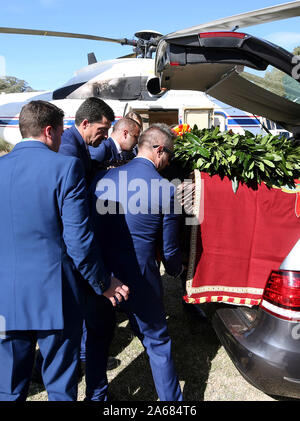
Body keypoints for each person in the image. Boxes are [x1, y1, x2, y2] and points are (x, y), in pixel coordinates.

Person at [0, 100, 129, 401]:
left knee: (7, 387)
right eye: (60, 132)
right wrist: (103, 283)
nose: (61, 139)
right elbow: (79, 240)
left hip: (5, 295)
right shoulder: (65, 166)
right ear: (48, 131)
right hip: (53, 295)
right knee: (60, 386)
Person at [90, 123, 183, 401]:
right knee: (157, 342)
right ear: (158, 150)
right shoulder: (166, 190)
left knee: (97, 339)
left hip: (102, 274)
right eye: (169, 156)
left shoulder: (101, 178)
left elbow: (87, 229)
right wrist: (179, 270)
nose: (168, 162)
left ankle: (96, 397)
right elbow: (169, 250)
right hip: (140, 276)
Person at [59, 96, 115, 186]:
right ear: (85, 124)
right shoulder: (68, 150)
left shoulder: (78, 143)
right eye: (102, 129)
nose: (106, 136)